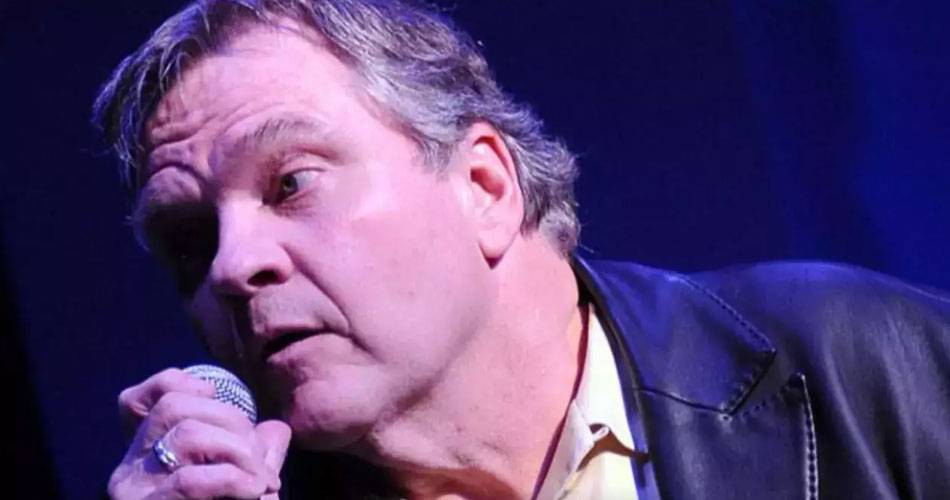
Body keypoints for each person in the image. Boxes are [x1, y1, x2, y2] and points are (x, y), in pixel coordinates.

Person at [93, 1, 950, 499]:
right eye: (190, 241)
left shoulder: (854, 363)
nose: (231, 267)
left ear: (484, 186)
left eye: (291, 183)